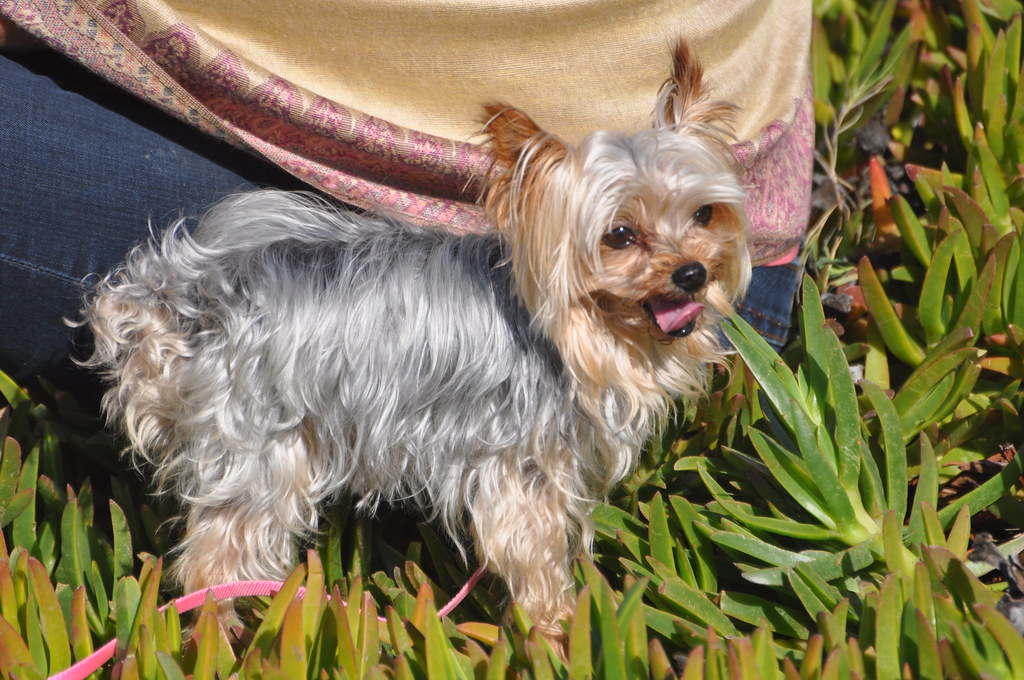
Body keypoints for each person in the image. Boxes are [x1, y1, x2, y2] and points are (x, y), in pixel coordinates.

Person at [0, 1, 812, 393]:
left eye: (703, 221)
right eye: (629, 239)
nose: (683, 262)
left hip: (375, 269)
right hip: (755, 244)